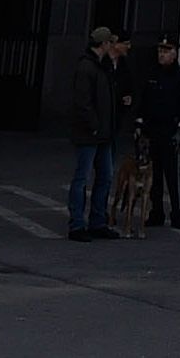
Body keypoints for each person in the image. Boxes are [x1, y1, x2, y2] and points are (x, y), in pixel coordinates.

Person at [67, 25, 127, 238]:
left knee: (105, 176)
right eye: (110, 42)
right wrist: (94, 125)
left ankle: (97, 221)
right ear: (104, 44)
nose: (113, 45)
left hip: (103, 133)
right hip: (90, 133)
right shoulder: (87, 68)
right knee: (82, 177)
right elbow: (82, 102)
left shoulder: (102, 66)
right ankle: (77, 224)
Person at [136, 34, 180, 232]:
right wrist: (140, 126)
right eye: (160, 51)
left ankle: (177, 213)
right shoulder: (152, 73)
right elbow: (143, 102)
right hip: (153, 130)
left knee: (172, 175)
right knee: (154, 175)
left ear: (175, 53)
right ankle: (156, 212)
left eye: (166, 51)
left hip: (170, 130)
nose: (162, 54)